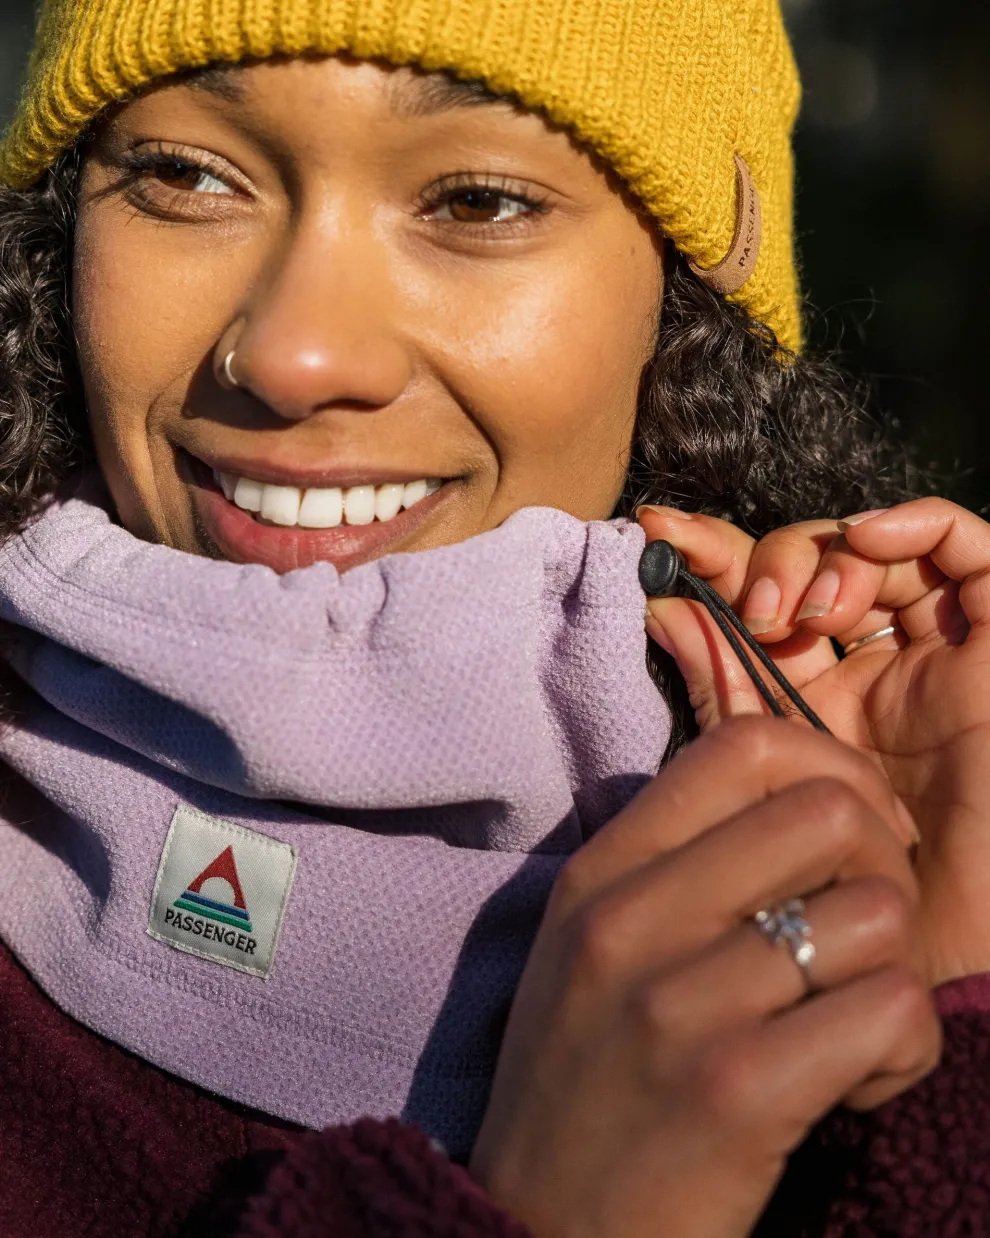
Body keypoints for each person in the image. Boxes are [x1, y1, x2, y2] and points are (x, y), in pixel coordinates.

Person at [0, 0, 975, 1234]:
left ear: (688, 303)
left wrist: (945, 1032)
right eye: (188, 175)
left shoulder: (879, 803)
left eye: (476, 201)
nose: (297, 357)